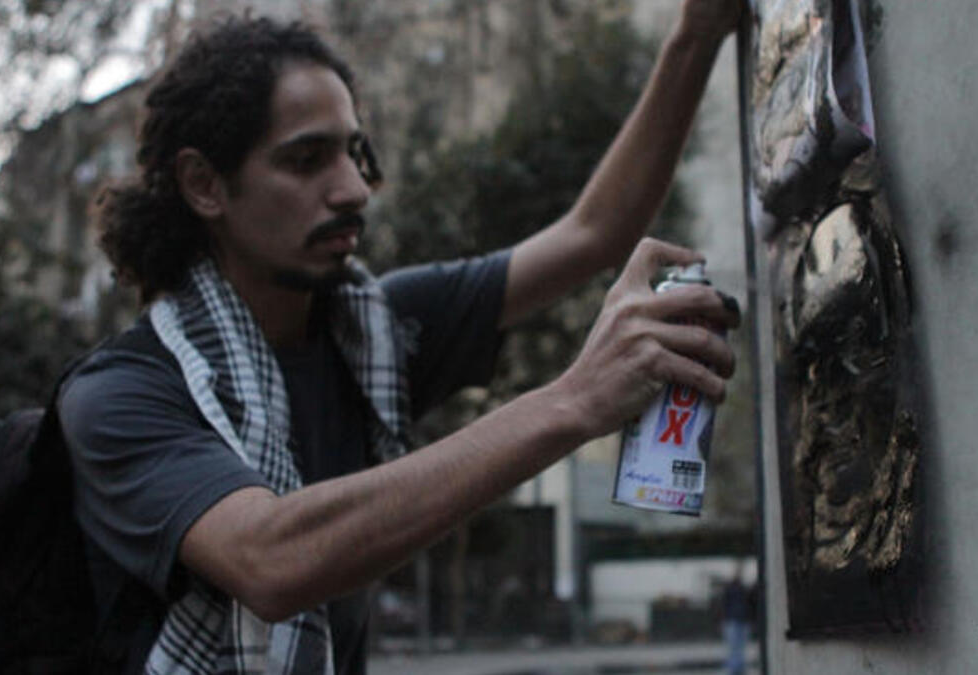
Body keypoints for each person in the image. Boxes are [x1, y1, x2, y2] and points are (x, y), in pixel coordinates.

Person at [63, 1, 743, 672]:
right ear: (205, 184)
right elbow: (269, 558)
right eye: (307, 160)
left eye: (354, 153)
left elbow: (593, 234)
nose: (354, 188)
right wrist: (575, 400)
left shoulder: (374, 334)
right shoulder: (122, 392)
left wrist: (696, 33)